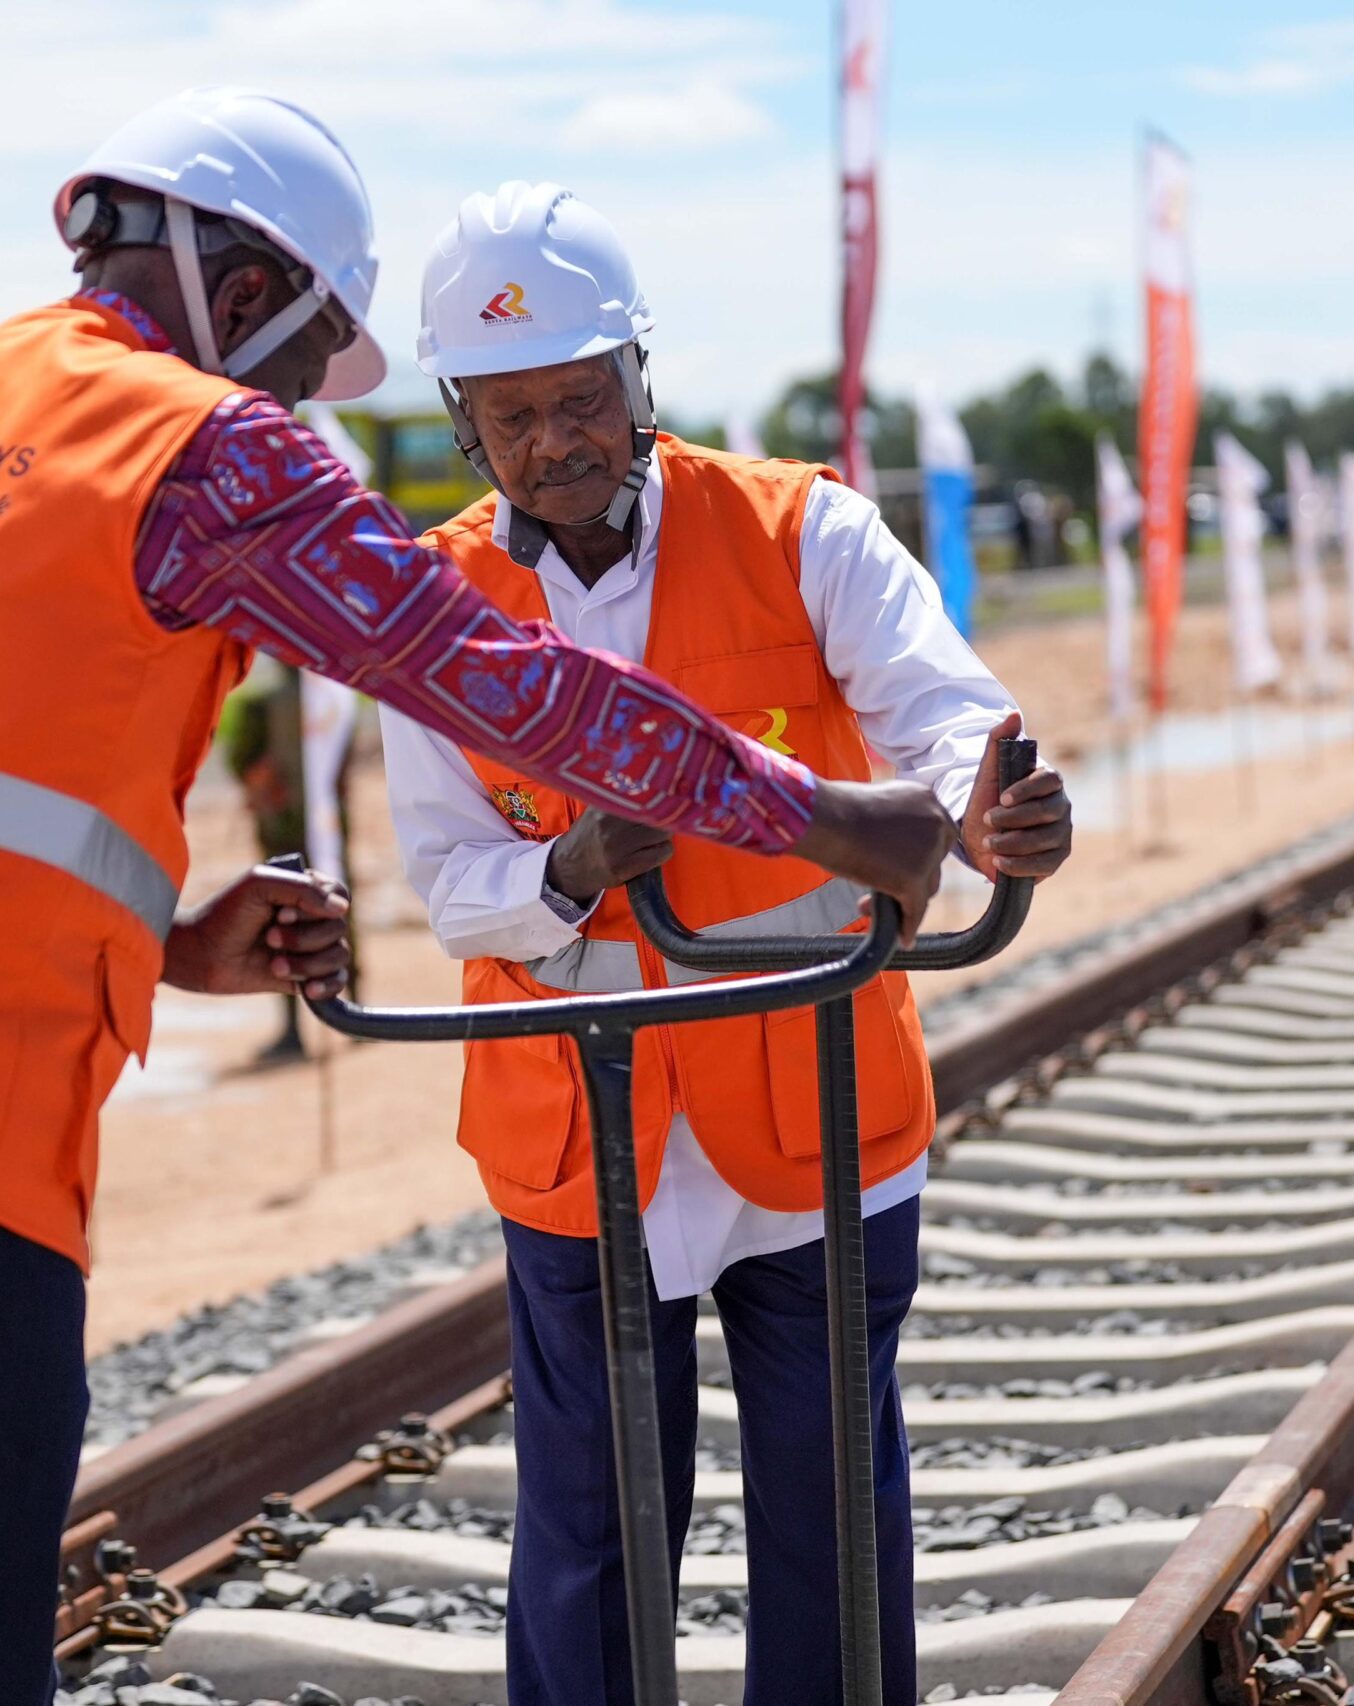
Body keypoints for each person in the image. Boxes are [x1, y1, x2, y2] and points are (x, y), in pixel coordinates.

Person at [0, 92, 956, 1706]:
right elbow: (504, 684)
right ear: (250, 291)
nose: (291, 407)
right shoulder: (195, 442)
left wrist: (164, 941)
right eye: (301, 363)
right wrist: (826, 816)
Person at [383, 182, 1075, 1705]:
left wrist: (989, 812)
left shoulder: (802, 529)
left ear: (639, 376)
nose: (555, 440)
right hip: (588, 1136)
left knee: (831, 1514)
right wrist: (563, 870)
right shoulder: (431, 606)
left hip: (813, 1111)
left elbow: (946, 715)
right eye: (513, 414)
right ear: (464, 425)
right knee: (589, 1528)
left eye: (581, 396)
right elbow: (446, 881)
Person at [217, 658, 349, 1064]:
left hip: (281, 829)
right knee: (338, 908)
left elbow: (240, 758)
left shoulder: (260, 704)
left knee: (284, 922)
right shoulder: (333, 703)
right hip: (326, 827)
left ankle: (294, 1029)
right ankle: (355, 1010)